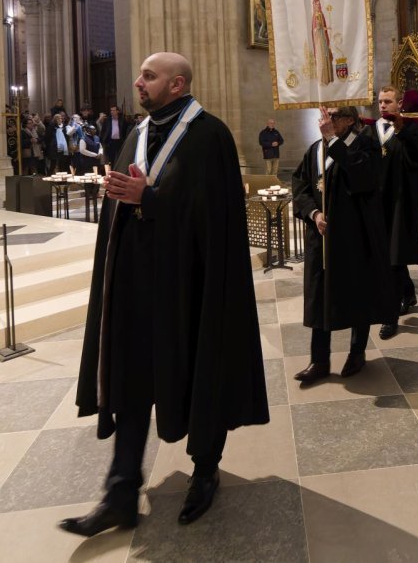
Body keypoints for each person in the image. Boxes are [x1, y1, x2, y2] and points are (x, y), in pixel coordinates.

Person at [66, 52, 268, 536]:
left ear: (176, 84)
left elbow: (216, 217)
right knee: (131, 382)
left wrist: (149, 199)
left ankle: (205, 471)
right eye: (140, 75)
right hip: (137, 287)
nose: (138, 82)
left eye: (149, 76)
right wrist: (120, 196)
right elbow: (133, 197)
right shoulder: (136, 134)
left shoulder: (209, 136)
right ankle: (119, 493)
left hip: (193, 287)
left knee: (201, 369)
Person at [291, 106, 395, 383]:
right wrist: (314, 213)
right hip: (321, 236)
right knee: (318, 295)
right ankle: (319, 360)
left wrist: (334, 143)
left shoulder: (366, 144)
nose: (325, 121)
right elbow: (300, 185)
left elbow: (364, 178)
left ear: (349, 120)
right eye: (324, 116)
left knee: (356, 292)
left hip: (354, 236)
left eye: (333, 116)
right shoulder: (315, 149)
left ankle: (357, 352)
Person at [362, 87, 418, 340]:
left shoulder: (413, 129)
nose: (382, 106)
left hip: (400, 204)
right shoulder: (369, 130)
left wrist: (404, 130)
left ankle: (389, 317)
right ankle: (408, 292)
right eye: (380, 101)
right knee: (389, 258)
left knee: (393, 258)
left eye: (388, 101)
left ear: (399, 103)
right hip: (375, 205)